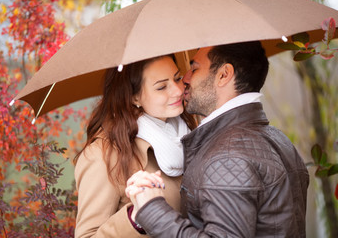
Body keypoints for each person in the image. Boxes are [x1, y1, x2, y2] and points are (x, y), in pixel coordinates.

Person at [126, 41, 310, 237]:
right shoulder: (278, 139)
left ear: (223, 75)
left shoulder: (227, 157)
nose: (185, 81)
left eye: (194, 69)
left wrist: (151, 209)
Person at [74, 54, 197, 237]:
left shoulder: (190, 130)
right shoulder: (104, 155)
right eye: (162, 87)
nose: (178, 90)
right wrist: (135, 218)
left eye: (177, 78)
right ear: (134, 98)